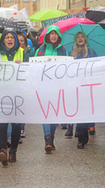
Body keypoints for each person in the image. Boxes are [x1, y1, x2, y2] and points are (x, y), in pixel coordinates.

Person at [0, 28, 24, 165]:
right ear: (3, 40)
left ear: (16, 40)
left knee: (16, 124)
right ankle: (3, 150)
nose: (10, 40)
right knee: (2, 122)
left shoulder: (23, 53)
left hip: (18, 92)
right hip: (2, 91)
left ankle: (13, 150)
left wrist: (22, 66)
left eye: (12, 37)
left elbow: (30, 71)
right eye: (7, 37)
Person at [35, 25, 68, 154]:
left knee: (54, 112)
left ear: (58, 36)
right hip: (44, 86)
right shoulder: (40, 50)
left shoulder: (63, 50)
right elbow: (34, 67)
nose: (53, 36)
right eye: (51, 33)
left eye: (55, 34)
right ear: (47, 35)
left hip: (57, 86)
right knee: (45, 112)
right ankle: (47, 138)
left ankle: (52, 137)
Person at [68, 31, 97, 149]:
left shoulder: (91, 52)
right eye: (78, 37)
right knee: (79, 111)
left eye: (82, 37)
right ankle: (80, 138)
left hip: (89, 86)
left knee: (86, 111)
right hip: (76, 86)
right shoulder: (71, 54)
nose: (80, 38)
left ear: (85, 39)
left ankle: (85, 133)